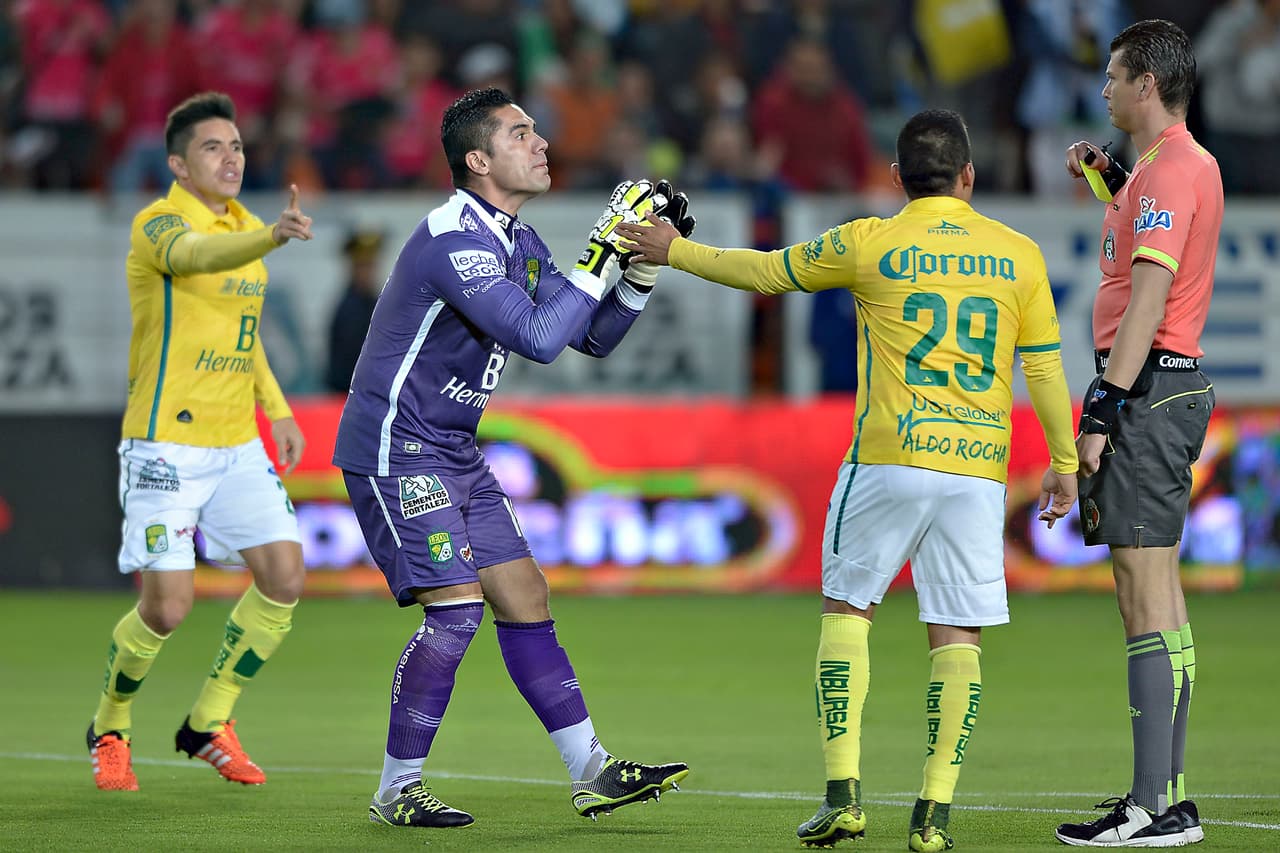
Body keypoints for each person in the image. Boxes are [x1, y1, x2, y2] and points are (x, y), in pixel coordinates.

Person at [617, 108, 1079, 851]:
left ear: (896, 179)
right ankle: (933, 813)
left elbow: (766, 272)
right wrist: (1063, 463)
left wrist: (677, 251)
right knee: (956, 635)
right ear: (969, 176)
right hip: (976, 469)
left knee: (847, 611)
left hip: (889, 457)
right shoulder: (1019, 254)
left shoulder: (870, 241)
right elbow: (1046, 367)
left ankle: (844, 795)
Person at [331, 87, 692, 829]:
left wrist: (639, 267)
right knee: (457, 614)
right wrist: (602, 247)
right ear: (478, 158)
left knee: (525, 595)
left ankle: (593, 770)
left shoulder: (516, 242)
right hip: (396, 448)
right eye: (521, 133)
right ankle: (398, 788)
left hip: (453, 449)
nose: (542, 142)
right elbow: (536, 336)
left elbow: (587, 335)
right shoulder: (451, 238)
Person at [86, 91, 314, 792]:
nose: (232, 157)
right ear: (179, 165)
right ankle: (111, 721)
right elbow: (195, 258)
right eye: (214, 147)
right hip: (165, 446)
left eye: (238, 145)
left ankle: (209, 720)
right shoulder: (158, 224)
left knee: (284, 576)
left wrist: (276, 410)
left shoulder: (245, 226)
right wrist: (270, 238)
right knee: (167, 608)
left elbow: (245, 341)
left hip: (235, 442)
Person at [1053, 18, 1220, 847]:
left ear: (1146, 84)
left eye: (1116, 77)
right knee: (1164, 596)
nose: (1107, 88)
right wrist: (1109, 176)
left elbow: (1148, 297)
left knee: (1141, 592)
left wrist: (1101, 409)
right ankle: (1169, 796)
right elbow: (1152, 246)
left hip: (1146, 394)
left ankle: (1151, 807)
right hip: (1169, 391)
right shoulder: (1171, 168)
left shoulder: (1167, 176)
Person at [324, 228, 386, 393]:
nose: (367, 273)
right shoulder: (348, 310)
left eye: (370, 266)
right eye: (362, 266)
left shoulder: (377, 303)